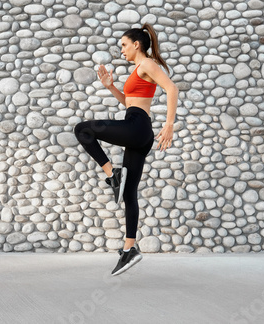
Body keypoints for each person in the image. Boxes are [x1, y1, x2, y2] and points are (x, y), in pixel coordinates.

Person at [74, 23, 179, 276]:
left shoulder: (147, 64)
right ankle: (130, 249)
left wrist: (170, 124)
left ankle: (112, 174)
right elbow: (130, 102)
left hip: (137, 126)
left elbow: (172, 88)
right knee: (130, 193)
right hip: (139, 131)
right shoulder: (138, 70)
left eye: (123, 45)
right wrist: (110, 86)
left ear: (136, 45)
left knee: (82, 129)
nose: (121, 50)